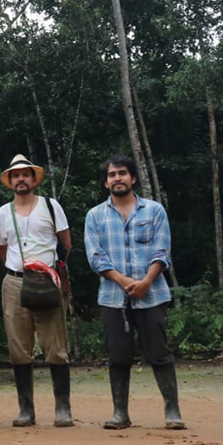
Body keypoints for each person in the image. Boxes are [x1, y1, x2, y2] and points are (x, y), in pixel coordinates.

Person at [85, 155, 185, 431]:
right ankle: (120, 413)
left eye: (122, 173)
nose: (117, 178)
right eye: (112, 174)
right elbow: (95, 256)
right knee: (118, 355)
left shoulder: (154, 211)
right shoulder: (95, 216)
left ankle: (172, 411)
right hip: (112, 298)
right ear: (106, 183)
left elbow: (162, 251)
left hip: (151, 295)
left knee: (159, 353)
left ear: (133, 178)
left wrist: (145, 282)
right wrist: (124, 281)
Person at [0, 155, 74, 428]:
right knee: (18, 346)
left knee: (56, 346)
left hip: (48, 279)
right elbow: (2, 250)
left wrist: (47, 270)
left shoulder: (51, 206)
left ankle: (63, 408)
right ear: (10, 182)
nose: (21, 179)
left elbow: (65, 243)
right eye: (15, 176)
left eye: (25, 174)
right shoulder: (2, 213)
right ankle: (26, 409)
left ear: (34, 178)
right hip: (15, 281)